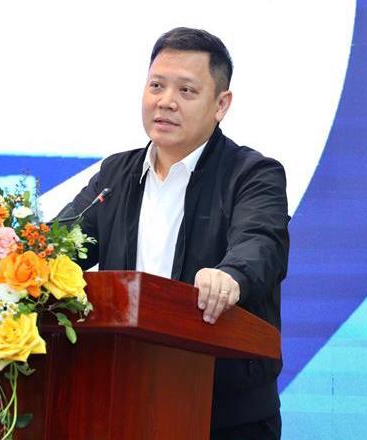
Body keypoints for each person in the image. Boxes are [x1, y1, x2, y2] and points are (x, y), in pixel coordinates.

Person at [57, 27, 289, 439]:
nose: (165, 101)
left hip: (225, 414)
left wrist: (230, 275)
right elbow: (60, 247)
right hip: (124, 402)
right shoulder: (116, 175)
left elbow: (261, 242)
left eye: (186, 90)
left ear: (221, 104)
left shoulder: (252, 174)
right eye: (156, 86)